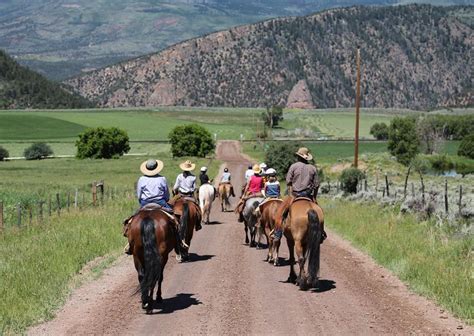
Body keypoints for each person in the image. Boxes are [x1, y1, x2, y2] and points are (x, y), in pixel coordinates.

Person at [124, 159, 185, 255]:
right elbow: (167, 195)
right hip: (160, 203)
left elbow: (139, 195)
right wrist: (164, 200)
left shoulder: (141, 179)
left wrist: (142, 202)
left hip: (145, 203)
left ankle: (130, 243)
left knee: (131, 221)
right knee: (175, 220)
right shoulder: (162, 179)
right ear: (156, 168)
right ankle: (179, 242)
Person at [273, 147, 326, 242]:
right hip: (308, 195)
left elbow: (288, 181)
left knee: (280, 212)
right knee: (319, 211)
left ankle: (277, 233)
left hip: (295, 195)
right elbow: (317, 184)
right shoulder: (313, 168)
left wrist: (290, 192)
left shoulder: (293, 166)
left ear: (298, 156)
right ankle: (321, 232)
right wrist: (314, 197)